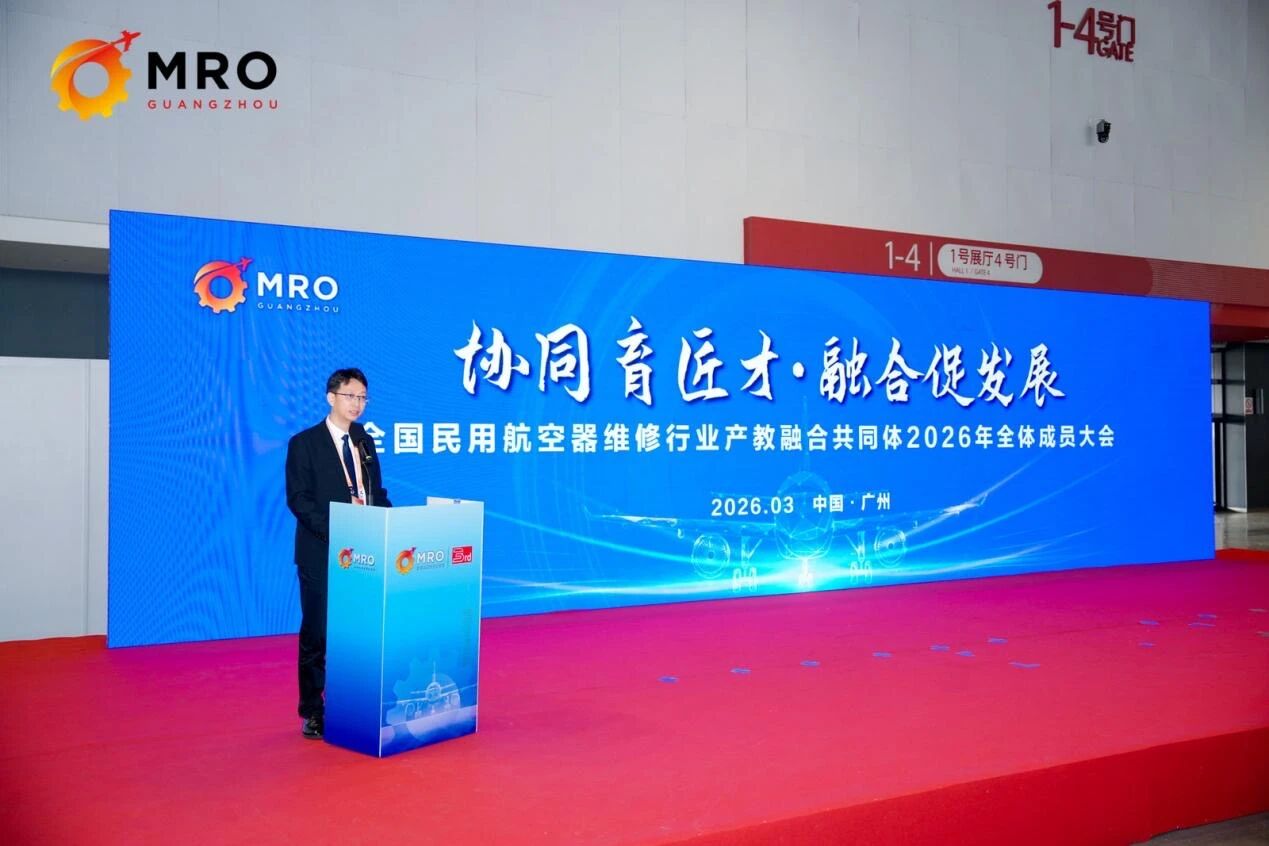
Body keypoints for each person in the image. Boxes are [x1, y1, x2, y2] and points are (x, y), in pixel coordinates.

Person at [285, 368, 391, 739]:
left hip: (365, 552)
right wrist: (339, 531)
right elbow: (299, 500)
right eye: (350, 396)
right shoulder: (305, 443)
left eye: (363, 397)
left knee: (357, 632)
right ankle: (313, 711)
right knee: (318, 633)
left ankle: (352, 701)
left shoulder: (364, 442)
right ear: (331, 397)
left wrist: (391, 524)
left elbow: (375, 493)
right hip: (322, 551)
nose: (357, 404)